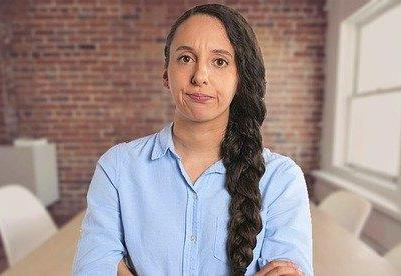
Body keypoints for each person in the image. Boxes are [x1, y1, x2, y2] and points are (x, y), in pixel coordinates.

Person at [72, 3, 313, 276]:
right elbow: (92, 268)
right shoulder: (117, 167)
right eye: (186, 58)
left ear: (240, 78)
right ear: (166, 74)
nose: (200, 76)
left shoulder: (281, 178)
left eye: (219, 62)